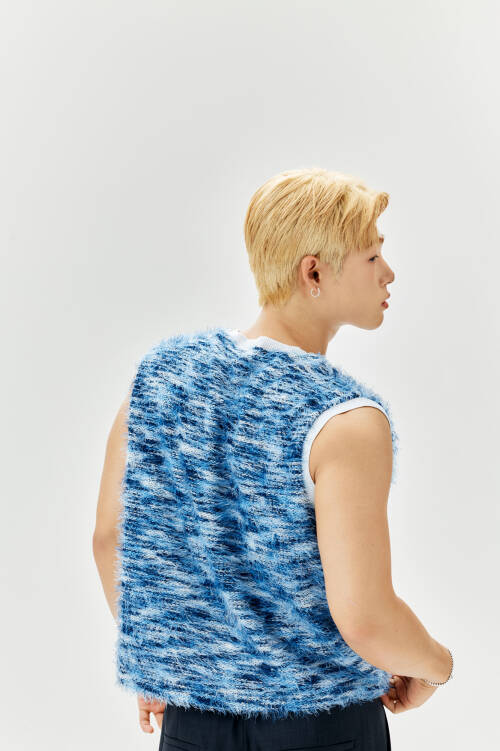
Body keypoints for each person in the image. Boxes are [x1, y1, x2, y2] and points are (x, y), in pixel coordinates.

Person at [93, 167, 453, 750]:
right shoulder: (344, 420)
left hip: (193, 728)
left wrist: (166, 660)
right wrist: (436, 666)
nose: (388, 272)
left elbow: (109, 539)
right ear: (314, 272)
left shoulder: (162, 379)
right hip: (322, 729)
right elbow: (364, 617)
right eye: (371, 256)